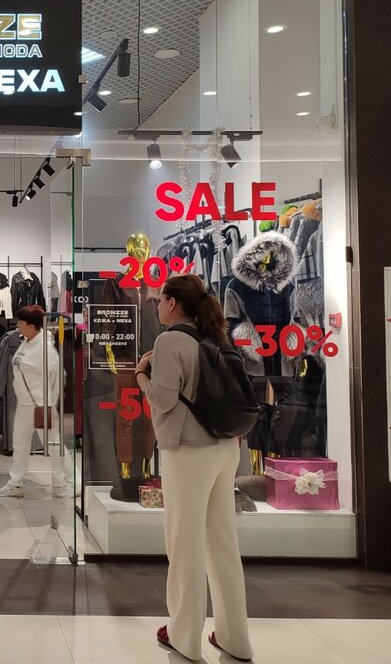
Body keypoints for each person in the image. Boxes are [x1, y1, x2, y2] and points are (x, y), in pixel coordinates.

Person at [134, 274, 254, 663]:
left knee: (184, 544)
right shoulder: (213, 336)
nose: (157, 305)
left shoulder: (169, 341)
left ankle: (184, 636)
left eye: (160, 300)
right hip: (225, 447)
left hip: (188, 452)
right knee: (223, 545)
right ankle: (235, 638)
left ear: (172, 303)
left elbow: (164, 401)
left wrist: (141, 375)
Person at [0, 305, 72, 499]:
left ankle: (66, 483)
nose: (18, 325)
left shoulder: (45, 348)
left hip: (40, 405)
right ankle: (15, 483)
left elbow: (59, 376)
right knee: (20, 445)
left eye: (21, 322)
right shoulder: (26, 343)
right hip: (24, 405)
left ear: (31, 326)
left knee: (53, 445)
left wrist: (48, 401)